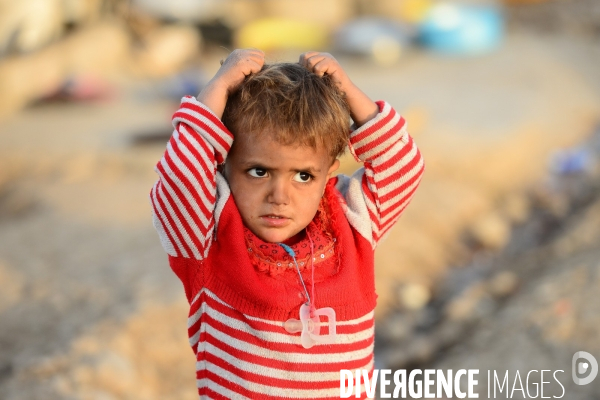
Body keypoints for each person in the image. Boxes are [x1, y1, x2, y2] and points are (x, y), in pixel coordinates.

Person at [150, 48, 424, 399]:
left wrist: (348, 90)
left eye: (304, 176)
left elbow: (403, 165)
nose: (279, 195)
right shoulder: (209, 237)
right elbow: (179, 178)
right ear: (223, 166)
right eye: (258, 171)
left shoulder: (353, 223)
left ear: (328, 175)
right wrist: (216, 90)